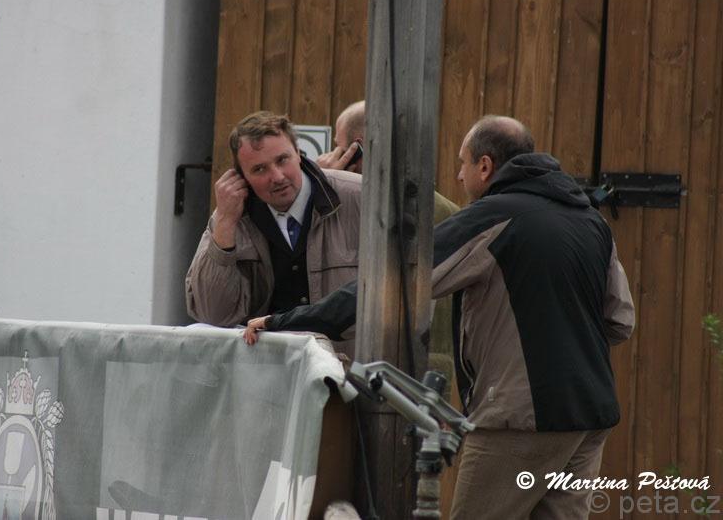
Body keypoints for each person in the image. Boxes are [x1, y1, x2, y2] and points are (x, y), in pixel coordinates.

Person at [244, 115, 635, 519]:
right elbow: (620, 320)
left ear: (485, 166)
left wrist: (289, 320)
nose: (459, 175)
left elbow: (395, 284)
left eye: (463, 163)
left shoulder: (493, 217)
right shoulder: (591, 221)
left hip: (519, 418)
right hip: (591, 417)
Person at [185, 111, 362, 352]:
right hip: (267, 368)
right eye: (259, 169)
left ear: (298, 153)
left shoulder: (359, 197)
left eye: (282, 160)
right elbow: (213, 314)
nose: (277, 177)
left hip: (347, 368)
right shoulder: (231, 216)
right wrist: (225, 223)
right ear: (242, 177)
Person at [317, 100, 461, 384]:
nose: (332, 155)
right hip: (435, 370)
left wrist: (326, 184)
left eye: (338, 146)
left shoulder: (364, 210)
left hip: (369, 367)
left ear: (356, 149)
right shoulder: (449, 211)